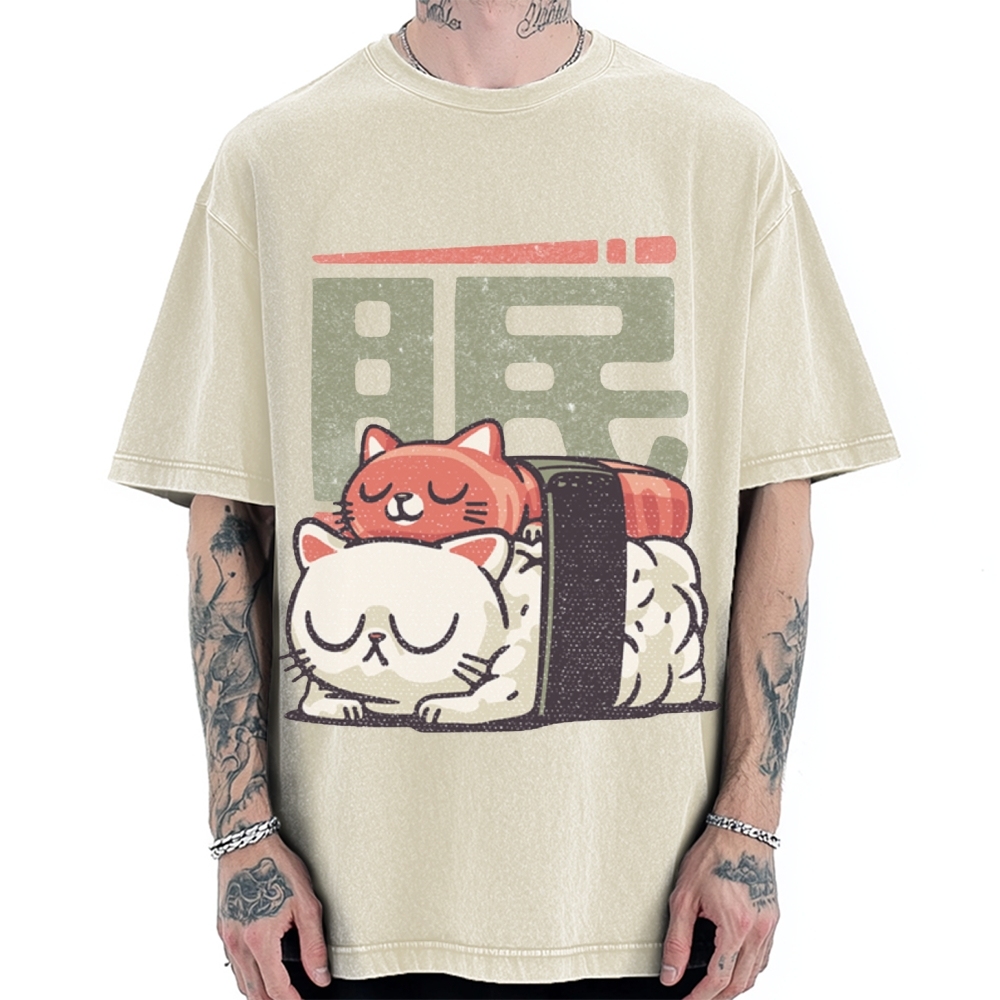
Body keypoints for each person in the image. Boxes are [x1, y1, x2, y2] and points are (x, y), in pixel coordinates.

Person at [110, 3, 897, 997]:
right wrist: (242, 836)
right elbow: (225, 531)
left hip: (651, 909)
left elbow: (778, 505)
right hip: (344, 914)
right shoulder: (275, 158)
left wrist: (750, 827)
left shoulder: (718, 149)